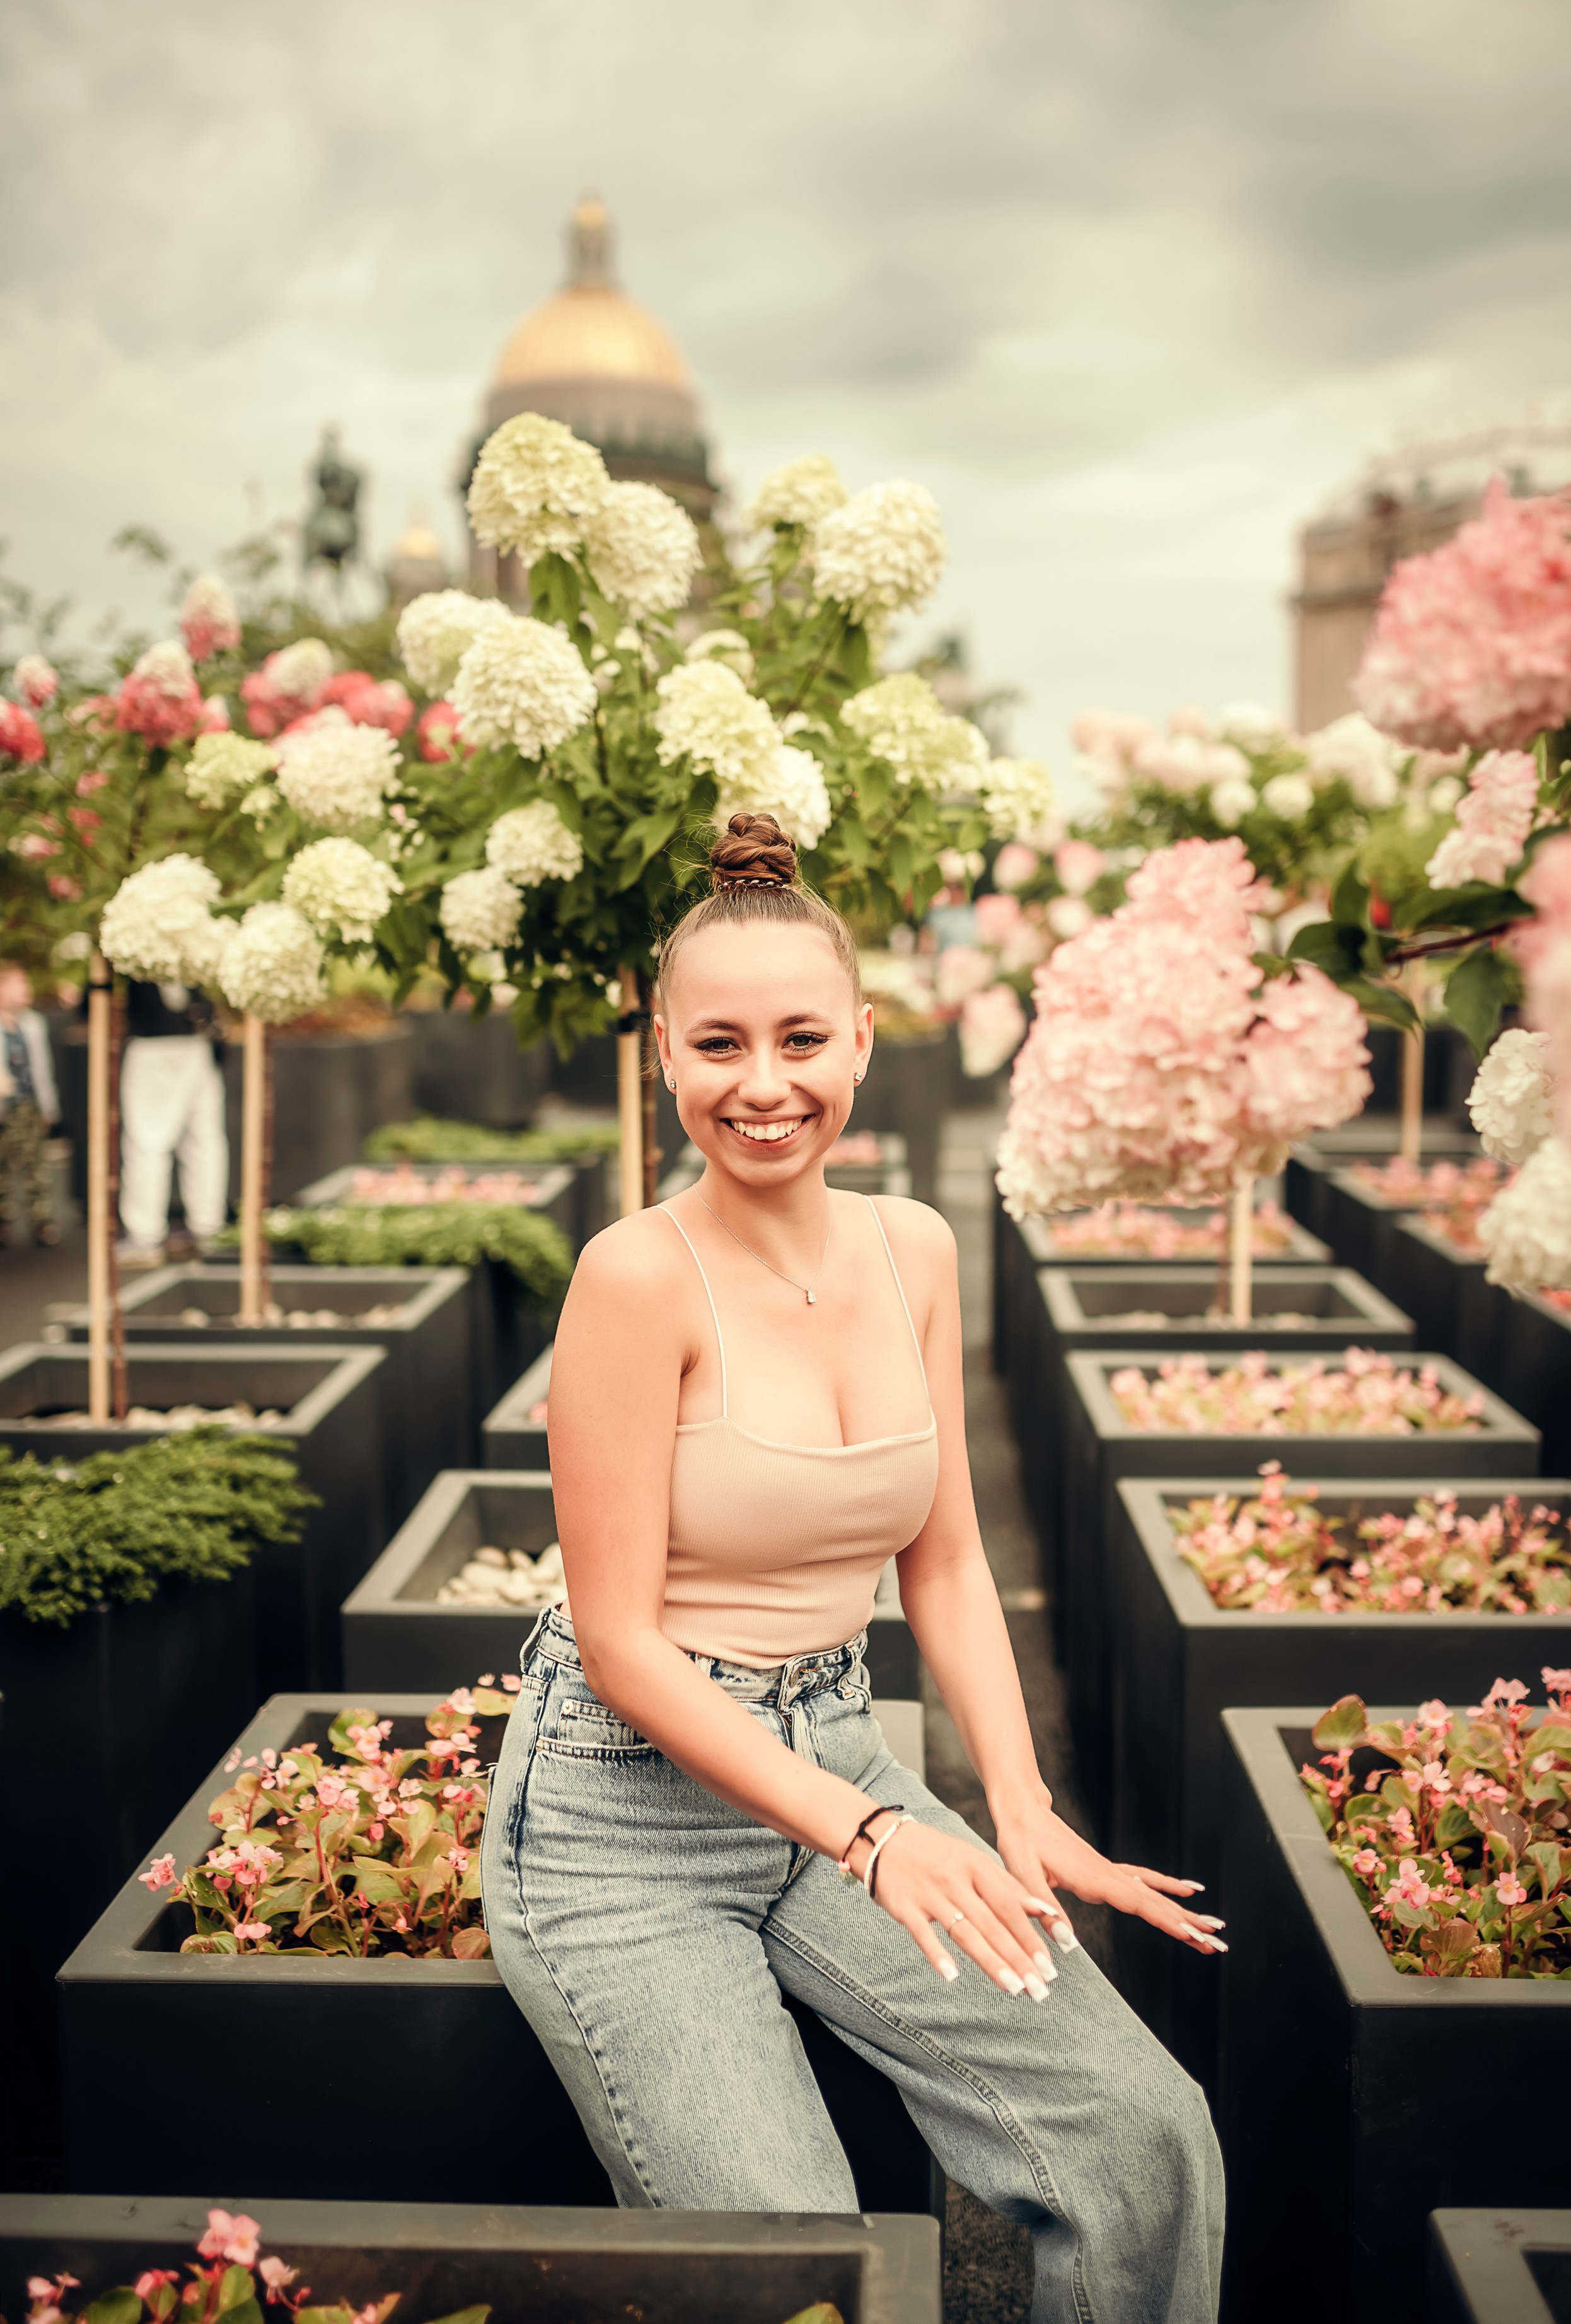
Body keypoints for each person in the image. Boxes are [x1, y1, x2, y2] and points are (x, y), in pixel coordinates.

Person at [485, 812, 1224, 2323]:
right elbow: (621, 1641)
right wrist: (877, 1836)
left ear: (865, 1039)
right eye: (718, 1044)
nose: (762, 1083)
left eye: (801, 1036)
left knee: (1143, 2135)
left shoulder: (913, 1247)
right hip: (622, 1818)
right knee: (814, 2261)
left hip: (834, 1743)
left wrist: (1014, 1805)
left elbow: (946, 1553)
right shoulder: (633, 1272)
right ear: (663, 1056)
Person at [119, 980, 228, 1267]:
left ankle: (146, 1236)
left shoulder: (133, 944)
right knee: (203, 1140)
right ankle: (207, 1227)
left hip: (156, 1047)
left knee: (148, 1142)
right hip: (195, 1043)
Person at [0, 962, 61, 1245]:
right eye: (19, 984)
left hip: (27, 1104)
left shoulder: (34, 1023)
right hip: (4, 1107)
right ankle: (4, 1221)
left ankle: (41, 1221)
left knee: (36, 1165)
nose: (27, 990)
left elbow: (42, 1069)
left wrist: (48, 1107)